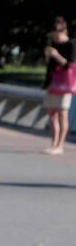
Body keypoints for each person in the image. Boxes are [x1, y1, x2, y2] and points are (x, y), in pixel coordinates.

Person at [42, 18, 74, 155]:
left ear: (64, 32)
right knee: (52, 114)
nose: (55, 38)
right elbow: (49, 67)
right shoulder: (54, 45)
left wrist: (57, 55)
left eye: (57, 35)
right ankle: (53, 144)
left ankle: (60, 145)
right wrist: (48, 57)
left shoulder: (71, 45)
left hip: (65, 84)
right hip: (53, 83)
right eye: (54, 35)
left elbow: (70, 65)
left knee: (62, 114)